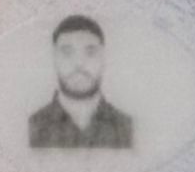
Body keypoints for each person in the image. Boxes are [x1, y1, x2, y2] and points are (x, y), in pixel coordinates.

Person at [28, 14, 133, 149]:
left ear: (103, 58)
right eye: (67, 52)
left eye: (90, 52)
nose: (79, 63)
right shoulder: (32, 127)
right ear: (54, 58)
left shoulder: (127, 128)